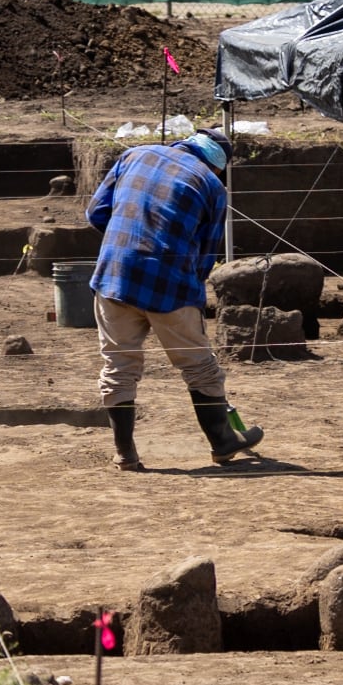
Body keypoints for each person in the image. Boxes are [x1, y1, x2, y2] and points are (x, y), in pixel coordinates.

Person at [84, 128, 262, 470]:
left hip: (114, 277)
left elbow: (96, 214)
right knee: (200, 367)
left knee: (118, 366)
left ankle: (125, 455)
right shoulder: (212, 186)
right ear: (218, 167)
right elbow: (206, 257)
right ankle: (222, 442)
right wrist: (189, 283)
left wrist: (129, 244)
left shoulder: (134, 155)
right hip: (171, 287)